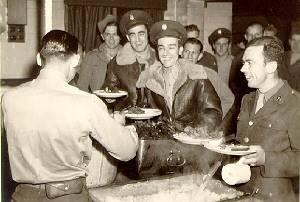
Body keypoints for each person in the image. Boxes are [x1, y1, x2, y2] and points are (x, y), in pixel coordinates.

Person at [1, 30, 139, 202]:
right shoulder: (85, 102)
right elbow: (126, 151)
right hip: (68, 197)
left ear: (38, 58)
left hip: (22, 196)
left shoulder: (9, 98)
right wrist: (127, 128)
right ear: (75, 59)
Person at [136, 20, 223, 175]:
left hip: (192, 153)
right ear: (156, 50)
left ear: (180, 50)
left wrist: (195, 130)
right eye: (161, 48)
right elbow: (143, 113)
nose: (165, 53)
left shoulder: (196, 76)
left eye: (171, 47)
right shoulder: (149, 80)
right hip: (159, 152)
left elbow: (213, 111)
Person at [233, 36, 300, 202]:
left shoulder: (295, 104)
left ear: (271, 67)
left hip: (273, 197)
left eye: (250, 63)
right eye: (243, 63)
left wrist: (266, 159)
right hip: (241, 192)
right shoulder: (247, 100)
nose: (243, 69)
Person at [104, 10, 156, 110]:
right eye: (132, 35)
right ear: (128, 37)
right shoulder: (116, 63)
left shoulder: (161, 60)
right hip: (128, 120)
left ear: (148, 34)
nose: (137, 40)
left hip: (159, 122)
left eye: (141, 34)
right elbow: (109, 90)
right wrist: (109, 98)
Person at [182, 37, 234, 124]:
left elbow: (229, 99)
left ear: (200, 56)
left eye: (194, 53)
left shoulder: (210, 74)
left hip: (200, 125)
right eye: (186, 51)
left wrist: (213, 119)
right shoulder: (173, 73)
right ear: (181, 52)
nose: (189, 56)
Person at [229, 22, 264, 133]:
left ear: (264, 34)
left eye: (257, 34)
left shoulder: (272, 58)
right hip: (247, 106)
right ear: (245, 37)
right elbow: (233, 83)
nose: (253, 38)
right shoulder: (239, 58)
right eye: (250, 35)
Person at [77, 14, 122, 92]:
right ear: (102, 36)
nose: (111, 39)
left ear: (120, 37)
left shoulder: (129, 57)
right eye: (107, 34)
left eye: (114, 34)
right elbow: (82, 87)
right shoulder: (91, 57)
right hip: (96, 101)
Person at [282, 21, 300, 91]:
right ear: (289, 42)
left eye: (299, 41)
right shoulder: (281, 56)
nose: (296, 44)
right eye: (294, 40)